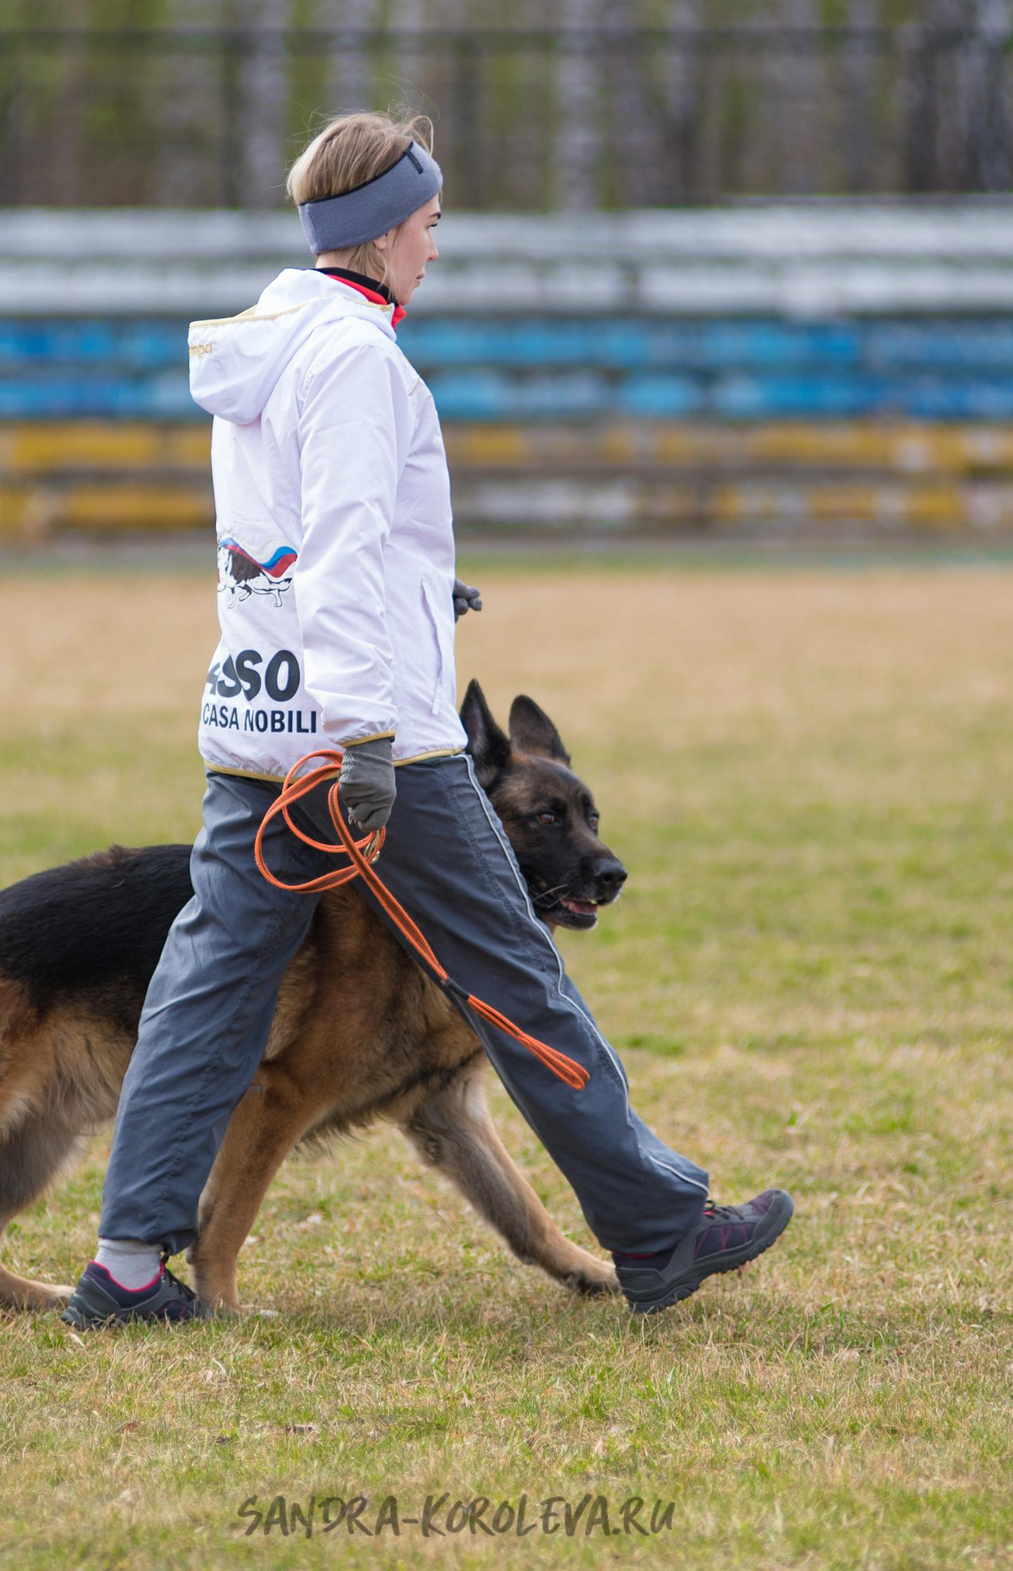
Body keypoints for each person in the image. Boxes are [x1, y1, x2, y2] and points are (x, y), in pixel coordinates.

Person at [63, 112, 790, 1327]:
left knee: (206, 989)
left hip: (256, 721)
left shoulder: (268, 343)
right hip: (373, 740)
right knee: (517, 975)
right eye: (430, 226)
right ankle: (660, 1225)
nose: (435, 250)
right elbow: (340, 552)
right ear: (384, 228)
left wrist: (422, 600)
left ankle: (127, 1266)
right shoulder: (356, 359)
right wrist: (360, 735)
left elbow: (287, 549)